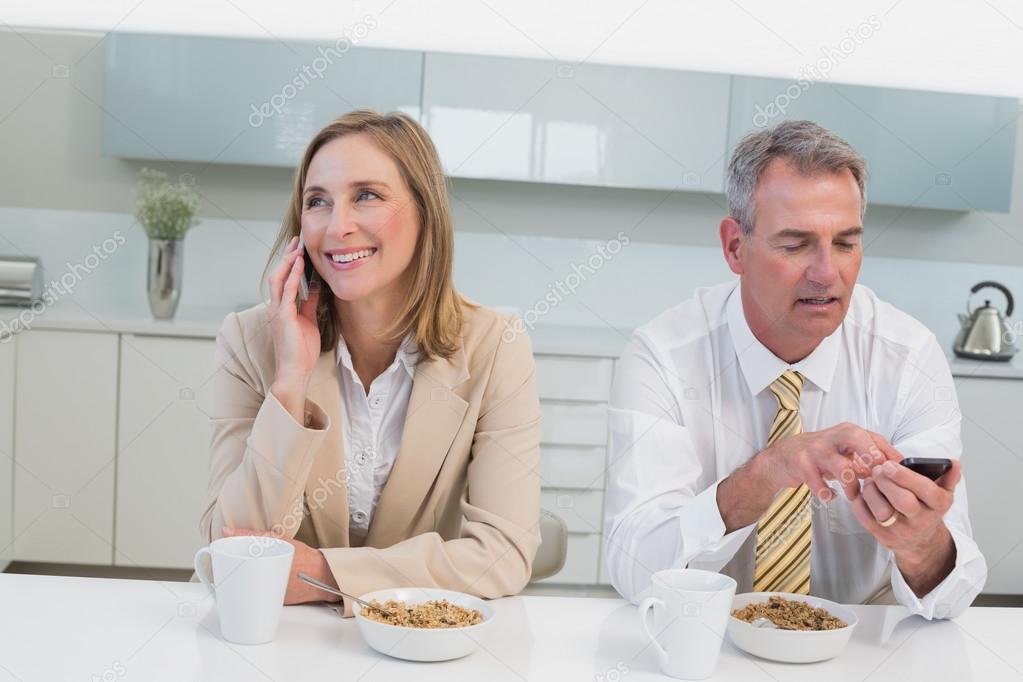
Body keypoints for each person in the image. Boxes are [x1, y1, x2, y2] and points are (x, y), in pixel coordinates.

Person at [603, 120, 986, 619]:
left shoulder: (907, 356)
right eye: (795, 244)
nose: (827, 273)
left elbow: (953, 595)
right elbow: (634, 570)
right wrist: (766, 473)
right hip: (704, 642)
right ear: (735, 247)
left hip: (859, 649)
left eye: (845, 243)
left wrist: (921, 544)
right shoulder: (664, 356)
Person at [200, 110, 541, 615]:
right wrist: (290, 382)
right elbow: (225, 554)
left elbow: (503, 556)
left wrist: (323, 575)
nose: (338, 226)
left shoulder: (494, 345)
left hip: (418, 641)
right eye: (318, 202)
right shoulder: (251, 340)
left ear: (426, 211)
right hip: (274, 635)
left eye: (367, 195)